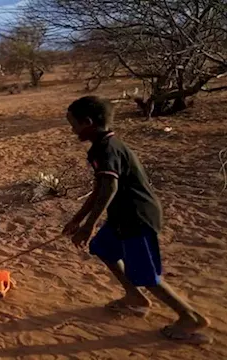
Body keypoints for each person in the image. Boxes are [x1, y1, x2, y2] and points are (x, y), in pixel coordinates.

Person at [62, 96, 212, 345]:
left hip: (137, 217)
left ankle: (190, 318)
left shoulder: (108, 149)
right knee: (103, 248)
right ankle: (135, 298)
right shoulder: (100, 147)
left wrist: (88, 226)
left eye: (73, 124)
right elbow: (100, 188)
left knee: (145, 273)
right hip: (122, 216)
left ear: (87, 122)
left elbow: (109, 188)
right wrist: (77, 219)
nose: (72, 129)